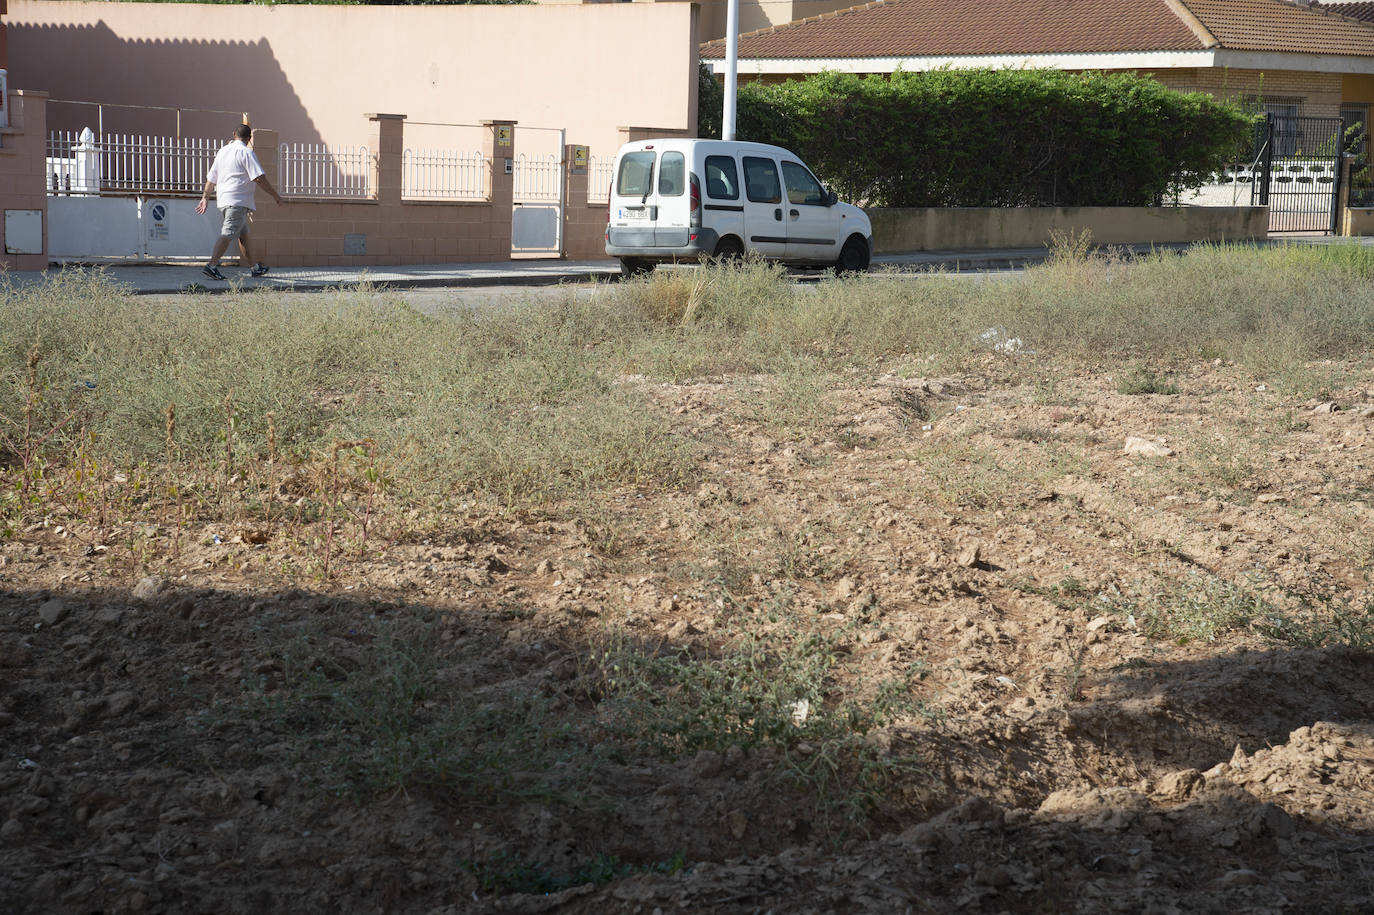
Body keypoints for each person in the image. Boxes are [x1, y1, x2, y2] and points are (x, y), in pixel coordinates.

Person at [196, 122, 283, 281]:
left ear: (233, 134)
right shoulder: (246, 153)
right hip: (237, 201)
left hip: (224, 200)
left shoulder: (222, 152)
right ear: (249, 139)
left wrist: (205, 198)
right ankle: (211, 266)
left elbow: (211, 179)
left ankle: (255, 268)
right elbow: (258, 177)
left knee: (244, 235)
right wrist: (275, 195)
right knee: (228, 233)